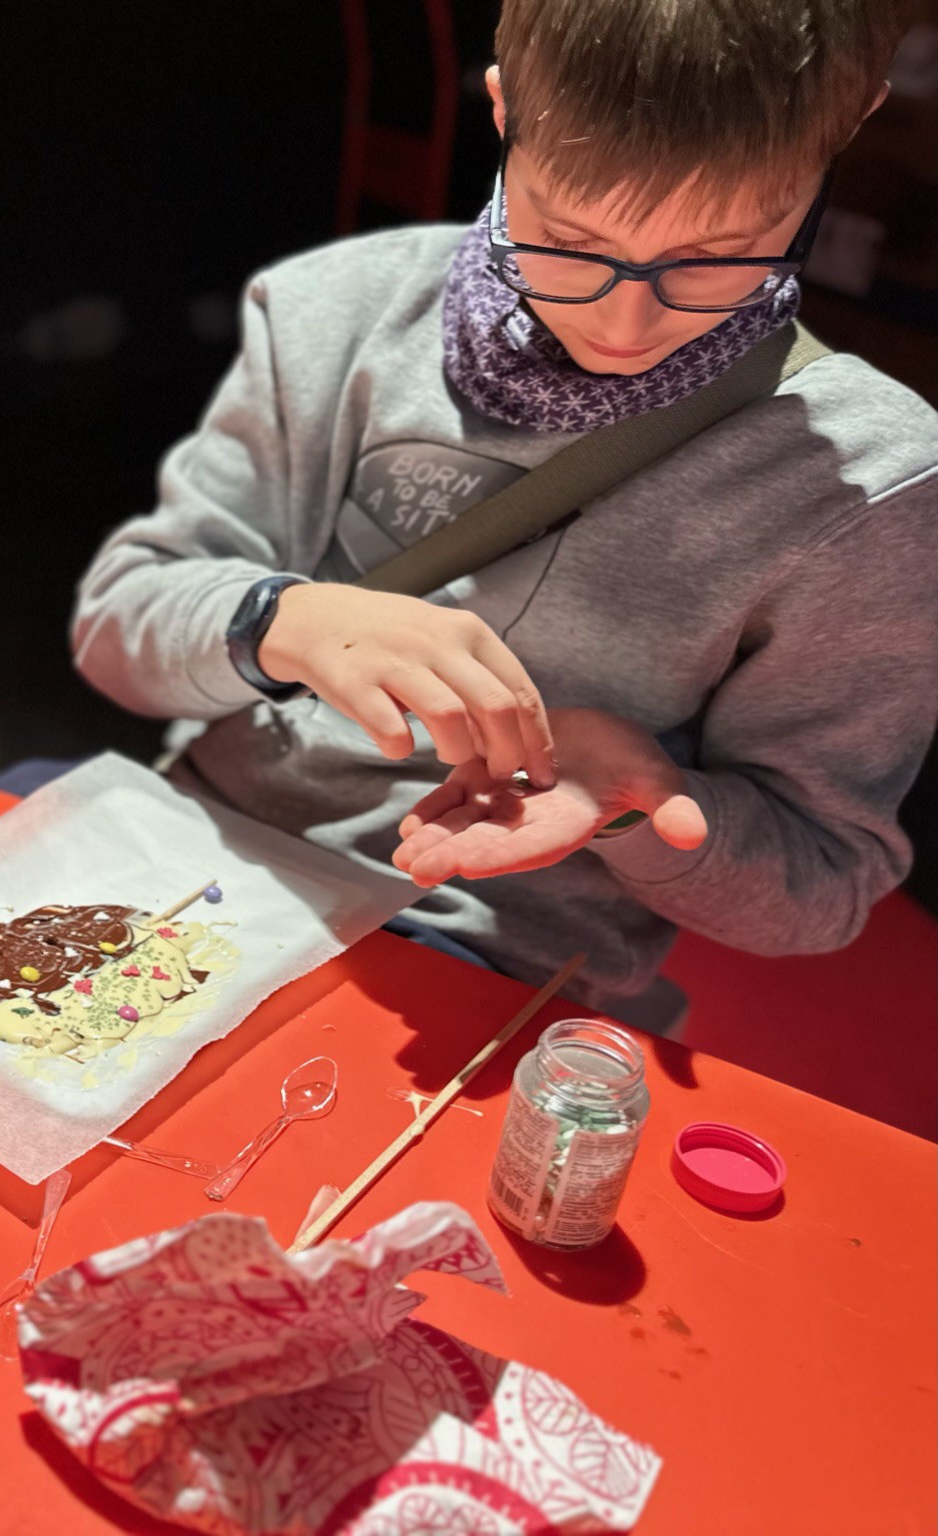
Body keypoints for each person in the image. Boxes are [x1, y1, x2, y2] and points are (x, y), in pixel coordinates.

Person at [73, 0, 936, 1028]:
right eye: (571, 241)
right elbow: (117, 629)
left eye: (721, 254)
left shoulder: (869, 480)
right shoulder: (337, 314)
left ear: (847, 129)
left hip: (488, 964)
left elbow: (825, 880)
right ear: (503, 105)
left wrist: (636, 801)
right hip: (202, 848)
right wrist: (277, 622)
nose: (627, 322)